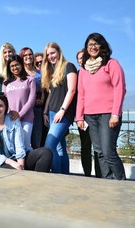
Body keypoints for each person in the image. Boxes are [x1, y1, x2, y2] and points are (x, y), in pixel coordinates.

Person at [76, 33, 126, 180]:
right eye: (90, 45)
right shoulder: (84, 70)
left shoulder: (111, 64)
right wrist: (79, 116)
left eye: (96, 44)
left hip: (108, 115)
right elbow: (81, 94)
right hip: (90, 116)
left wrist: (115, 113)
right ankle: (108, 182)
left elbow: (120, 88)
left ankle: (121, 182)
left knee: (108, 151)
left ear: (102, 46)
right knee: (99, 152)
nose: (93, 47)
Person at [0, 92, 53, 171]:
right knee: (9, 170)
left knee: (46, 153)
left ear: (5, 107)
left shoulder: (13, 120)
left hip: (18, 158)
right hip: (1, 163)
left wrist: (21, 166)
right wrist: (11, 163)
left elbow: (19, 146)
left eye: (0, 106)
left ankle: (37, 180)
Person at [42, 42, 78, 174]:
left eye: (53, 53)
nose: (50, 57)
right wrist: (46, 112)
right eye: (48, 55)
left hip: (63, 113)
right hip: (52, 112)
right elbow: (51, 94)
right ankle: (65, 176)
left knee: (49, 145)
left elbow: (72, 90)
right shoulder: (52, 71)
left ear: (59, 52)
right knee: (60, 148)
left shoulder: (69, 66)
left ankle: (56, 176)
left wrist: (62, 110)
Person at [76, 48, 101, 178]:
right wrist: (78, 117)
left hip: (96, 115)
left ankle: (99, 175)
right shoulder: (78, 74)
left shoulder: (97, 71)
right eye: (79, 59)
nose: (81, 60)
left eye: (83, 57)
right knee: (85, 146)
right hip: (82, 117)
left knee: (98, 148)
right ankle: (87, 175)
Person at [2, 55, 36, 148]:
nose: (15, 68)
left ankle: (26, 163)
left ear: (21, 64)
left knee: (24, 145)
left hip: (26, 118)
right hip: (10, 118)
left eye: (17, 65)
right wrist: (11, 114)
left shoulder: (30, 80)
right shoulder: (6, 82)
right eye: (12, 66)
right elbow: (3, 100)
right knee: (11, 146)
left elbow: (31, 100)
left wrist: (19, 115)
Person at [20, 47, 44, 149]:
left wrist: (42, 98)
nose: (28, 57)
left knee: (36, 140)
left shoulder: (39, 73)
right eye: (25, 55)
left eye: (30, 54)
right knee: (22, 140)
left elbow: (43, 88)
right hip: (23, 109)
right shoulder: (20, 72)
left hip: (37, 108)